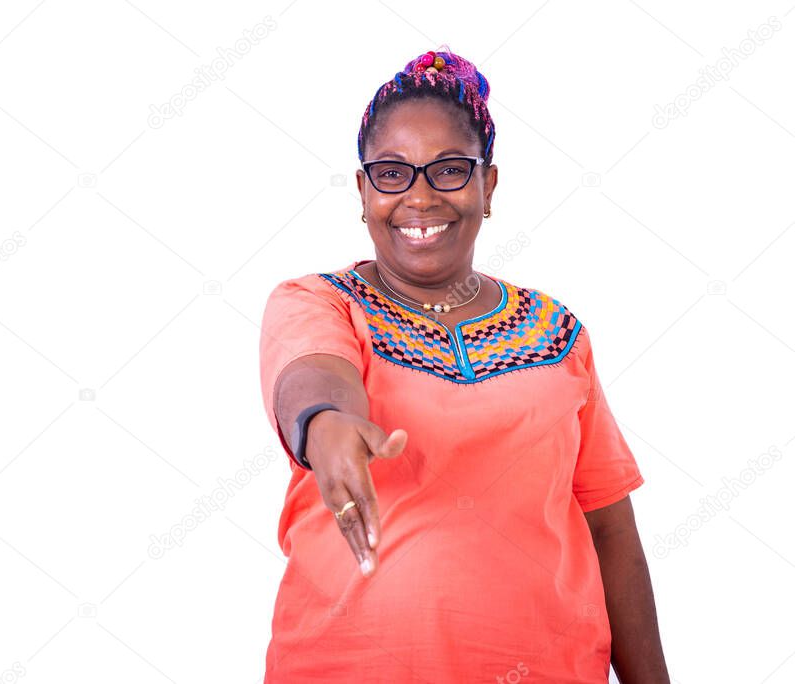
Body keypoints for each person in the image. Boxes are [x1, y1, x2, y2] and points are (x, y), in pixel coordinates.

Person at [258, 47, 670, 683]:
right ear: (364, 191)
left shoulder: (557, 331)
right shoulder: (319, 302)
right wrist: (328, 422)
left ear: (488, 184)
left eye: (449, 170)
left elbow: (610, 530)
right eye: (391, 174)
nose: (419, 197)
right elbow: (310, 374)